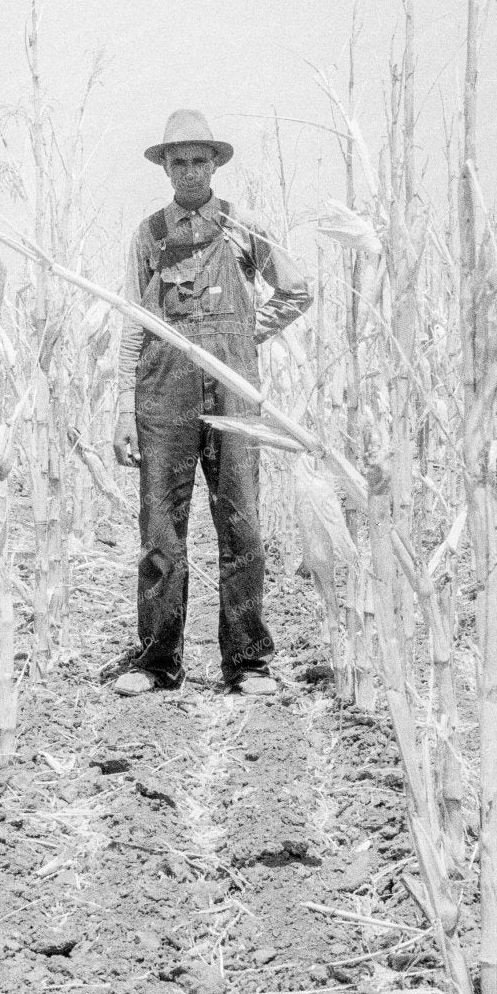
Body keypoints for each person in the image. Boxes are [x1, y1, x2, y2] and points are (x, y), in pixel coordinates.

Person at [110, 110, 312, 697]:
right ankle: (155, 661)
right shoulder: (149, 235)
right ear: (166, 168)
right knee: (160, 533)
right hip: (162, 395)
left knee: (241, 525)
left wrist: (249, 331)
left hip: (232, 392)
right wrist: (124, 406)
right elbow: (132, 324)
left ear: (215, 165)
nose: (190, 171)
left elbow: (297, 290)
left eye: (200, 160)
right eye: (180, 161)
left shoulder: (243, 227)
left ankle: (248, 662)